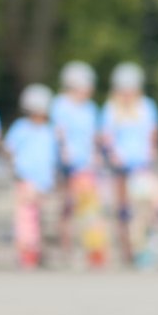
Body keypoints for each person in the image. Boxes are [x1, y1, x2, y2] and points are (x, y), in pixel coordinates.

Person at [100, 62, 158, 265]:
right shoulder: (111, 108)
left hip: (140, 168)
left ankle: (143, 248)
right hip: (120, 169)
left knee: (144, 210)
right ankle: (127, 252)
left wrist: (150, 155)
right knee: (123, 210)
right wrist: (113, 156)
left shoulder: (147, 107)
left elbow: (153, 135)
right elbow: (106, 136)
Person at [51, 61, 103, 264]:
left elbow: (94, 135)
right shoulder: (61, 104)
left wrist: (96, 154)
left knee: (89, 209)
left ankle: (92, 249)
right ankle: (67, 249)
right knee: (67, 208)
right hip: (67, 167)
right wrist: (64, 153)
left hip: (86, 166)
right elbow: (59, 132)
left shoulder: (90, 108)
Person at [4, 84, 58, 268]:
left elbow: (52, 157)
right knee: (26, 218)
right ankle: (26, 252)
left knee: (43, 219)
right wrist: (18, 170)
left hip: (45, 182)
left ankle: (40, 252)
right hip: (26, 180)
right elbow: (9, 149)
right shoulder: (21, 128)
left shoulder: (49, 130)